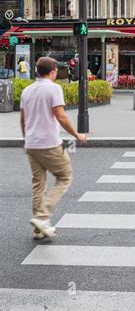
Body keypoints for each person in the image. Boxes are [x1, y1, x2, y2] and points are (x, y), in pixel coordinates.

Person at [19, 56, 87, 239]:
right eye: (56, 70)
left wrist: (27, 139)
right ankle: (42, 217)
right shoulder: (54, 88)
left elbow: (23, 119)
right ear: (51, 72)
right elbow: (61, 116)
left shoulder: (27, 90)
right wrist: (77, 134)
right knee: (65, 176)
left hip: (32, 143)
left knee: (38, 184)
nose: (57, 73)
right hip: (48, 143)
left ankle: (38, 229)